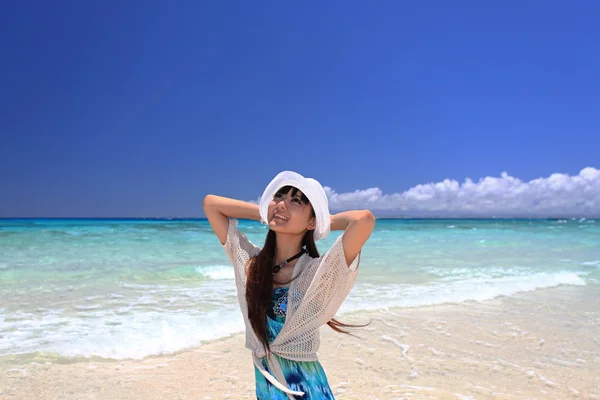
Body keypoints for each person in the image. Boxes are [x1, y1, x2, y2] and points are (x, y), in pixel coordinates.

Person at [203, 171, 375, 399]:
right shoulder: (250, 264)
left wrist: (321, 222)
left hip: (308, 389)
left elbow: (364, 220)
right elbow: (211, 204)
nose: (283, 204)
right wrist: (268, 212)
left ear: (312, 220)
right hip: (267, 389)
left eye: (297, 201)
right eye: (280, 196)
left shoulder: (317, 272)